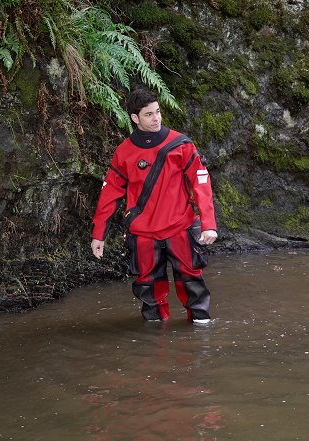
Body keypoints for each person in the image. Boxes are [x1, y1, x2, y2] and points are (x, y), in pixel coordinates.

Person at [90, 88, 218, 323]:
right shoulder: (123, 152)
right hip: (143, 235)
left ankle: (201, 337)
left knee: (193, 285)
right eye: (148, 114)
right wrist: (99, 234)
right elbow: (110, 193)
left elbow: (201, 182)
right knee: (149, 293)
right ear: (135, 118)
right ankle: (154, 343)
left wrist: (208, 224)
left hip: (180, 228)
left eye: (158, 112)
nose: (156, 118)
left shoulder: (181, 144)